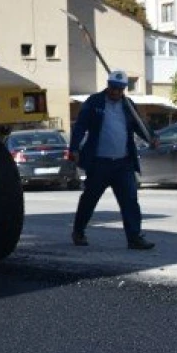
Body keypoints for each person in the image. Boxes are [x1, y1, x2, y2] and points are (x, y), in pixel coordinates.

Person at [68, 69, 157, 250]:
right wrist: (74, 148)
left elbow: (140, 125)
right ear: (108, 85)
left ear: (124, 88)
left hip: (123, 163)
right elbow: (80, 126)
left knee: (130, 201)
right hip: (99, 163)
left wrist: (152, 137)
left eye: (119, 89)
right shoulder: (95, 102)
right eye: (113, 88)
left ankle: (134, 237)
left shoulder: (128, 105)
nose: (115, 92)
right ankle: (78, 231)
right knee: (90, 199)